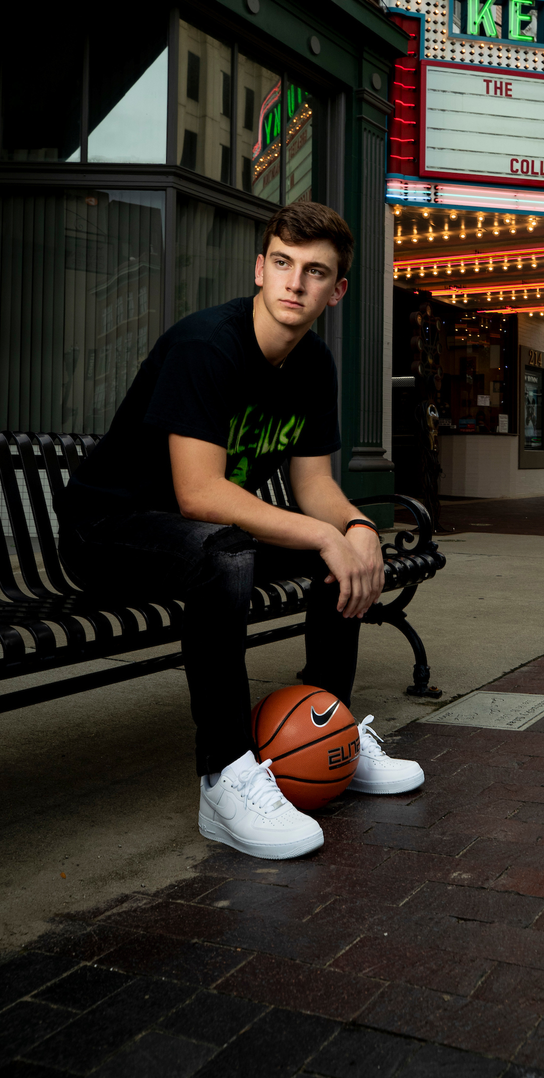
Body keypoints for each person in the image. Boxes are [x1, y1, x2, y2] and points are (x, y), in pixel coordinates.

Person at [56, 201, 424, 861]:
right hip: (107, 529)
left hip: (194, 537)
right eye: (281, 263)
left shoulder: (313, 366)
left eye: (315, 272)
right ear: (260, 267)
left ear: (336, 291)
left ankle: (324, 735)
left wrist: (354, 528)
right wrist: (321, 534)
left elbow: (314, 485)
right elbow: (199, 495)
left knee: (329, 560)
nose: (293, 282)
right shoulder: (207, 345)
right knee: (227, 556)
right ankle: (224, 776)